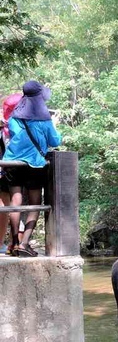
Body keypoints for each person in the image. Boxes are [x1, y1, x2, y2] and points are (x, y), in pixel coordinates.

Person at [2, 80, 61, 257]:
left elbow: (14, 135)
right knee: (35, 202)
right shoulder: (44, 120)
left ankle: (14, 243)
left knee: (16, 200)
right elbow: (55, 141)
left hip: (12, 162)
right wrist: (54, 125)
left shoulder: (14, 118)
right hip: (34, 164)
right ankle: (25, 244)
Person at [0, 93, 22, 254]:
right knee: (10, 206)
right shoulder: (23, 126)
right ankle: (15, 244)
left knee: (6, 206)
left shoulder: (6, 128)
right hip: (21, 172)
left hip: (5, 172)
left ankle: (9, 243)